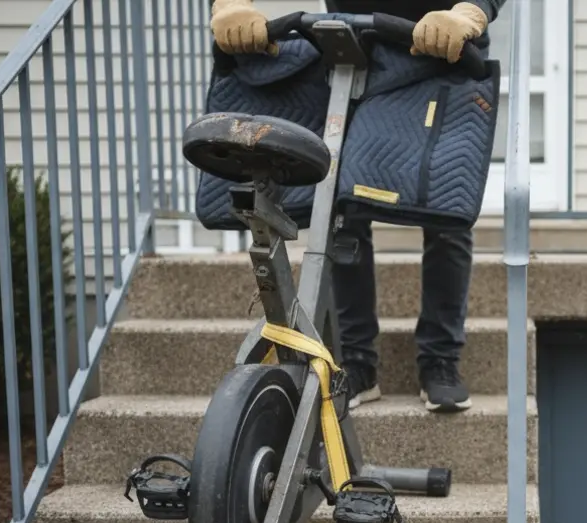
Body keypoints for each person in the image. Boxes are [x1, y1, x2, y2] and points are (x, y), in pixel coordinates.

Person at [210, 0, 507, 414]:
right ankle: (359, 364)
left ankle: (440, 362)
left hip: (446, 43)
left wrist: (471, 12)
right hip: (354, 45)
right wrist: (231, 4)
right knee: (343, 210)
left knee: (446, 215)